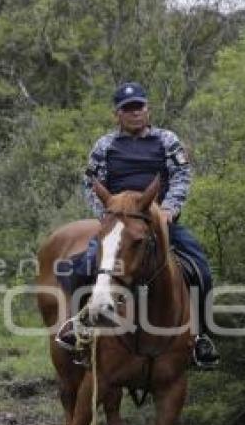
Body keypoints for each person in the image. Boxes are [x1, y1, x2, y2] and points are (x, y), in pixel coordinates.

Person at [63, 82, 219, 368]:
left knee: (200, 268)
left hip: (158, 221)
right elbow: (91, 183)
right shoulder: (104, 145)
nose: (135, 113)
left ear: (148, 110)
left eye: (139, 107)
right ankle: (80, 327)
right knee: (82, 266)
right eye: (128, 109)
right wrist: (107, 215)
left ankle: (200, 338)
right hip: (117, 223)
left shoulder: (167, 140)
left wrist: (169, 209)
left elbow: (182, 176)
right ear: (117, 114)